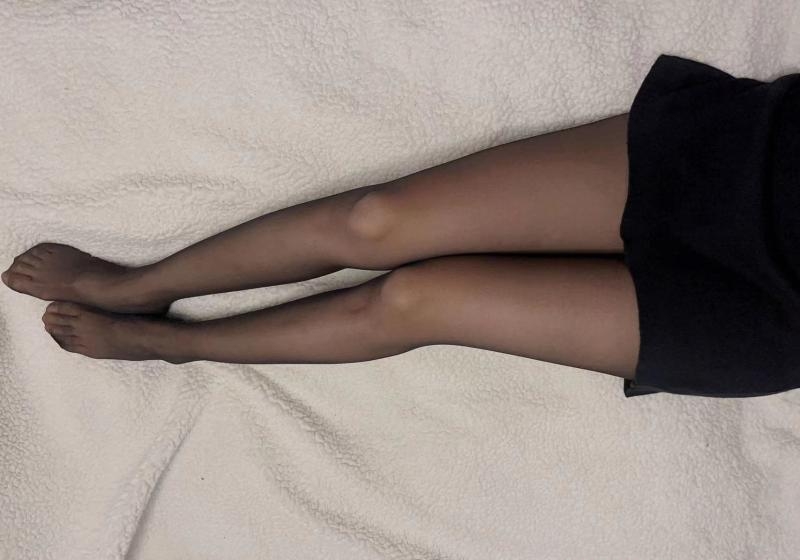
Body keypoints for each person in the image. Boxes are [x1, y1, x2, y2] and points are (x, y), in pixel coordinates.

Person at [3, 54, 800, 399]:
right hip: (760, 162)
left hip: (769, 322)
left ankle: (172, 344)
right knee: (375, 221)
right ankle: (137, 286)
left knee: (417, 300)